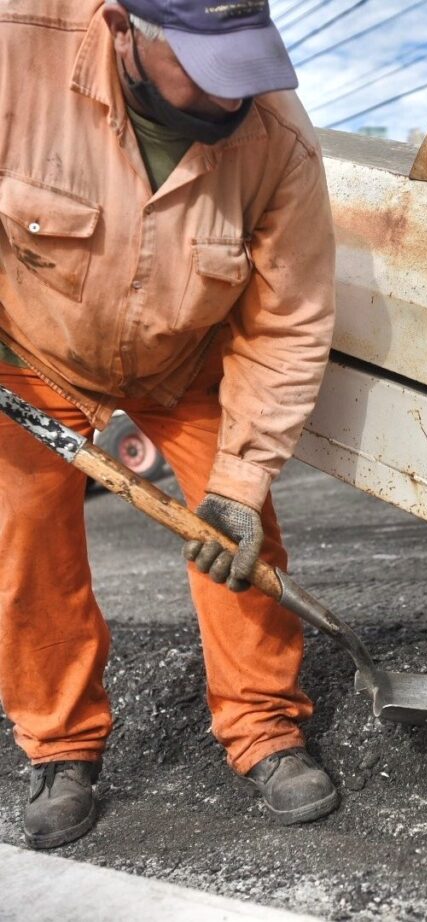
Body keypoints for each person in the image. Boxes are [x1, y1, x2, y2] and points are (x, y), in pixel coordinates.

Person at [0, 0, 338, 848]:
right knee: (27, 545)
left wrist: (240, 476)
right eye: (205, 66)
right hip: (30, 354)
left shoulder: (279, 144)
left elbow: (288, 322)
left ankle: (265, 727)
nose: (234, 98)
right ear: (124, 31)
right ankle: (60, 742)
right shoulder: (16, 52)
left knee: (238, 535)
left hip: (179, 369)